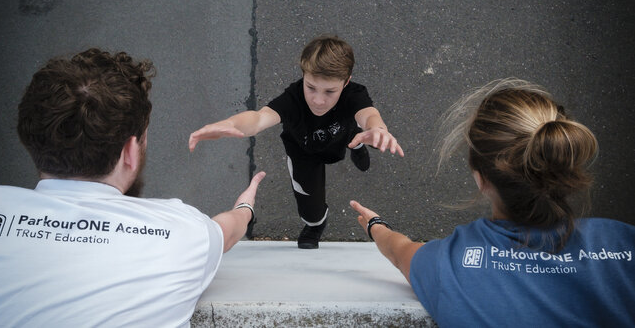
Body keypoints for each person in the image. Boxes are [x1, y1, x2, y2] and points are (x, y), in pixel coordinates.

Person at [0, 48, 266, 327]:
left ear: (30, 137)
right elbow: (226, 230)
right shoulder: (186, 232)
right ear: (130, 151)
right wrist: (245, 208)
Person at [350, 78, 635, 327]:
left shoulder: (447, 264)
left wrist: (376, 225)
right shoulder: (625, 243)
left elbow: (398, 251)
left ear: (481, 178)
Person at [189, 35, 404, 249]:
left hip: (344, 135)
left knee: (364, 135)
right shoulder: (292, 98)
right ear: (303, 75)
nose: (318, 100)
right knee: (309, 207)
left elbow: (369, 116)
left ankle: (357, 146)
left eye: (330, 91)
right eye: (310, 87)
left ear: (346, 82)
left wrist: (378, 129)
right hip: (304, 151)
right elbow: (258, 118)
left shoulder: (354, 94)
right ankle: (316, 224)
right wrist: (230, 123)